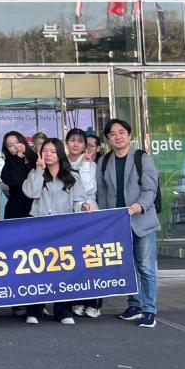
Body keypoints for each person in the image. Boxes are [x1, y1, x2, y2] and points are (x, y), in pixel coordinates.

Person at [22, 138, 95, 325]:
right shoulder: (36, 172)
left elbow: (78, 200)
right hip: (39, 226)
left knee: (63, 268)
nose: (48, 154)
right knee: (37, 269)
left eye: (53, 151)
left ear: (60, 154)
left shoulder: (72, 176)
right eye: (45, 150)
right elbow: (30, 193)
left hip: (64, 228)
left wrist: (84, 205)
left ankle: (63, 311)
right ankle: (35, 310)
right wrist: (39, 171)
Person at [96, 119, 161, 329]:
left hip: (141, 221)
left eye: (121, 132)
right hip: (118, 225)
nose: (118, 136)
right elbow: (102, 193)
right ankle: (134, 305)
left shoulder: (142, 158)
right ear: (108, 139)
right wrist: (103, 218)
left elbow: (150, 189)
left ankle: (149, 310)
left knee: (146, 268)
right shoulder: (104, 161)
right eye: (113, 134)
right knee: (127, 267)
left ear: (129, 135)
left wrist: (140, 205)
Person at [66, 128, 101, 318]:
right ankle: (77, 300)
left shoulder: (91, 164)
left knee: (90, 258)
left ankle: (93, 302)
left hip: (88, 212)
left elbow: (89, 189)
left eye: (80, 141)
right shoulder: (62, 162)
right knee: (74, 259)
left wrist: (86, 165)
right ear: (66, 142)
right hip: (69, 213)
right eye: (72, 140)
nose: (76, 144)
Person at [0, 131, 37, 219]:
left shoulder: (36, 159)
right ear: (7, 150)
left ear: (23, 142)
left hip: (36, 209)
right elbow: (18, 181)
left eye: (17, 142)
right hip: (16, 210)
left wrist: (26, 155)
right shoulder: (8, 165)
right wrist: (18, 159)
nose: (16, 146)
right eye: (10, 145)